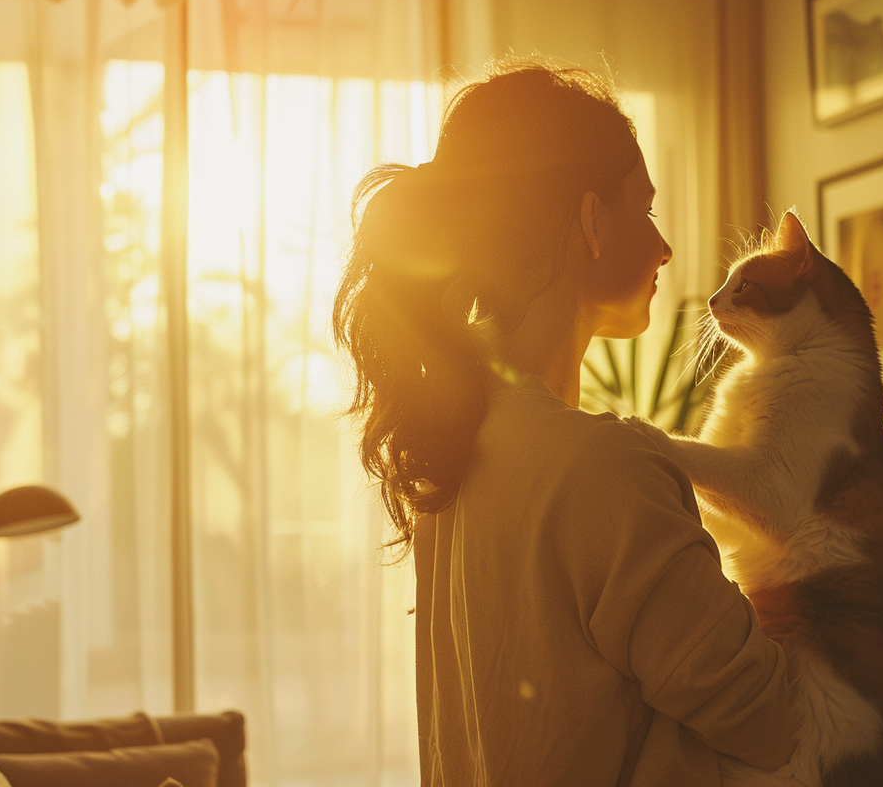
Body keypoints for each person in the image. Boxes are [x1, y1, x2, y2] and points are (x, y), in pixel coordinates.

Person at [332, 58, 801, 786]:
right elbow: (772, 719)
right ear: (589, 220)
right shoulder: (602, 469)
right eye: (643, 208)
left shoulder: (456, 440)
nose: (665, 246)